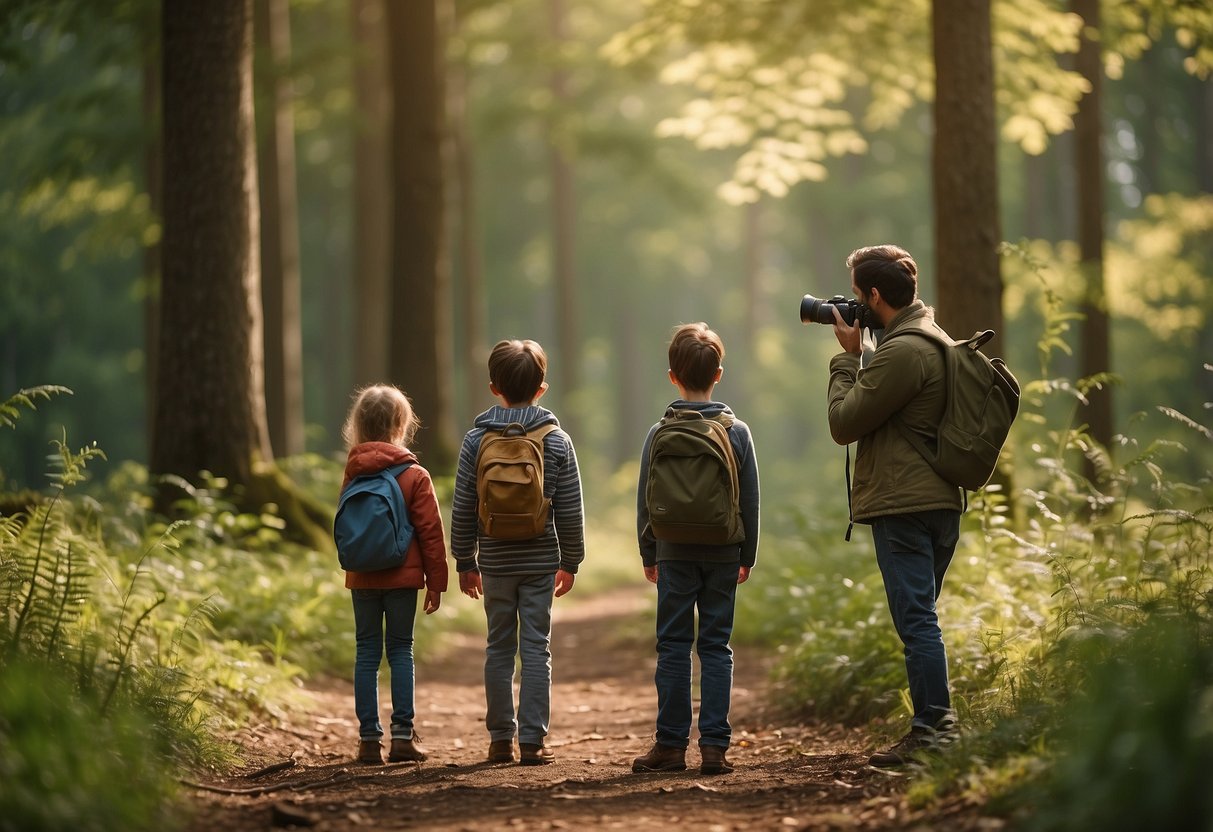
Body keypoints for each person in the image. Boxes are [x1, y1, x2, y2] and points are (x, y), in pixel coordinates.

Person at [826, 244, 963, 767]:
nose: (856, 307)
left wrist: (846, 357)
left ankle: (933, 731)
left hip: (905, 505)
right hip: (939, 499)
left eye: (859, 297)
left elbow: (844, 423)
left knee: (917, 620)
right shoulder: (934, 337)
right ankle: (935, 726)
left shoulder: (903, 351)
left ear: (875, 295)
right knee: (922, 617)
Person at [632, 322, 761, 776]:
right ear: (719, 373)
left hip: (673, 551)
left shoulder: (658, 431)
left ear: (673, 375)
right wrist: (748, 555)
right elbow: (750, 499)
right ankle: (714, 748)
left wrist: (649, 552)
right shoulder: (737, 431)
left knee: (672, 646)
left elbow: (646, 498)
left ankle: (669, 747)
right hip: (724, 551)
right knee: (715, 647)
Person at [451, 339, 585, 766]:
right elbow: (570, 507)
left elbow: (463, 506)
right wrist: (571, 560)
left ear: (494, 387)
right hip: (541, 560)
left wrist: (464, 560)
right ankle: (532, 741)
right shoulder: (556, 440)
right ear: (542, 388)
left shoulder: (476, 441)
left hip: (494, 561)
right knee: (536, 649)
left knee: (498, 647)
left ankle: (498, 740)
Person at [339, 384, 448, 766]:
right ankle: (403, 737)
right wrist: (437, 582)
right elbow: (431, 532)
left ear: (359, 425)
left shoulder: (353, 472)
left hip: (362, 576)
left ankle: (369, 741)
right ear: (402, 425)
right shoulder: (414, 474)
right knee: (400, 650)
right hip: (403, 578)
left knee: (366, 652)